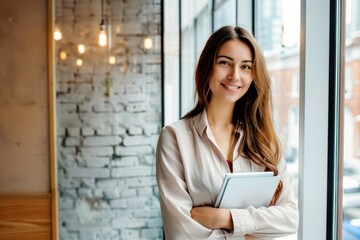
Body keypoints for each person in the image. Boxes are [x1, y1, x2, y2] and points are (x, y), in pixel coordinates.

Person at [156, 25, 299, 240]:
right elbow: (181, 233)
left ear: (253, 76)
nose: (234, 75)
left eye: (246, 67)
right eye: (224, 63)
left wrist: (224, 218)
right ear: (207, 67)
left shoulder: (266, 139)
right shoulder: (175, 138)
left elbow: (290, 218)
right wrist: (253, 232)